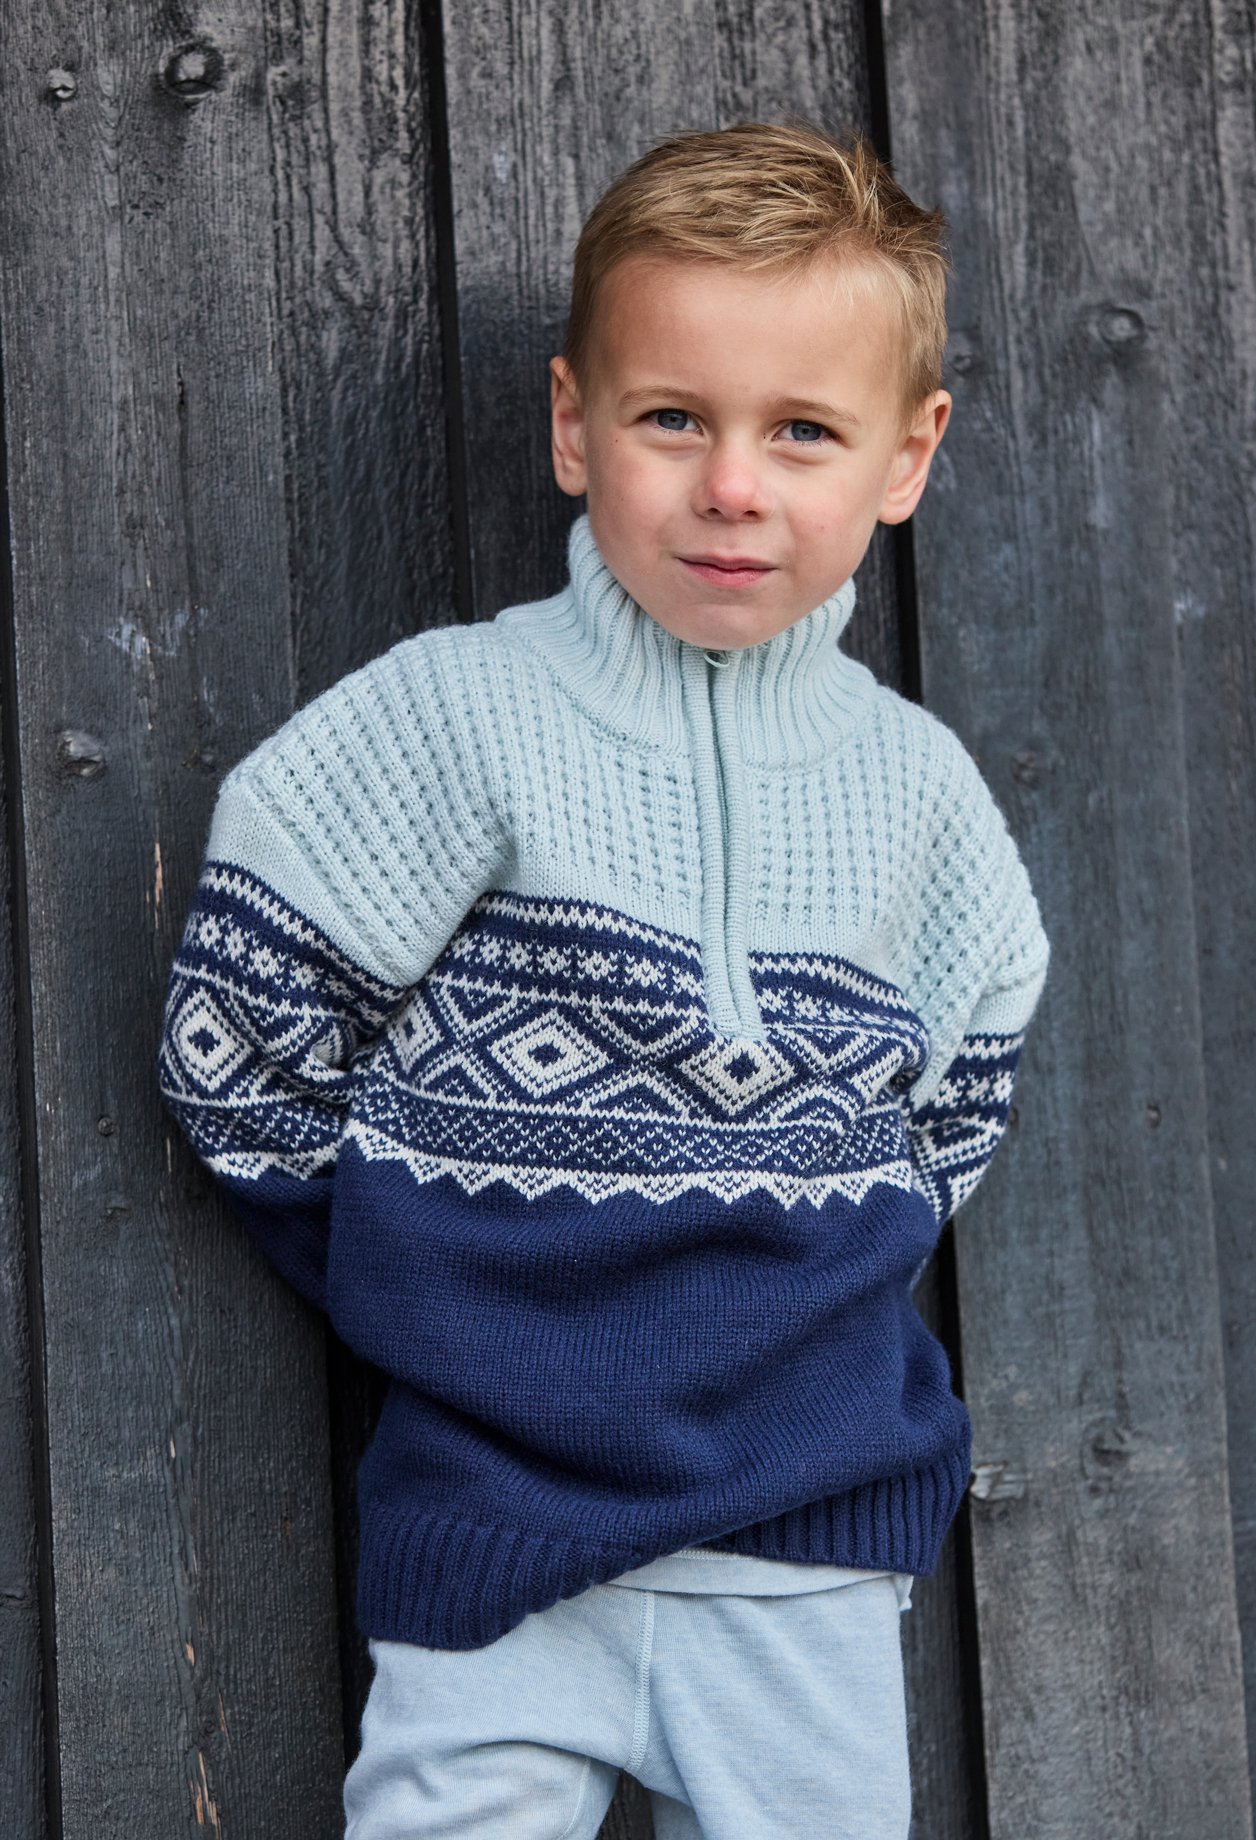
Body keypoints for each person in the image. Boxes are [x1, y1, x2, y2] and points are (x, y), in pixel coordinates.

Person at [157, 116, 1050, 1839]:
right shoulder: (458, 717)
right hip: (492, 1529)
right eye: (673, 420)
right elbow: (235, 1037)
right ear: (576, 426)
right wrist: (418, 1265)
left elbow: (954, 1103)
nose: (734, 485)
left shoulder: (918, 793)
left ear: (907, 455)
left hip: (800, 1541)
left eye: (803, 431)